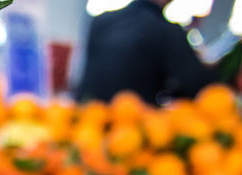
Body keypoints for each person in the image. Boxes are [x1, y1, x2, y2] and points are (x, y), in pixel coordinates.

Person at [76, 0, 217, 104]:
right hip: (132, 129)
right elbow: (199, 87)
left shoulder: (100, 21)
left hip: (87, 121)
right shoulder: (164, 30)